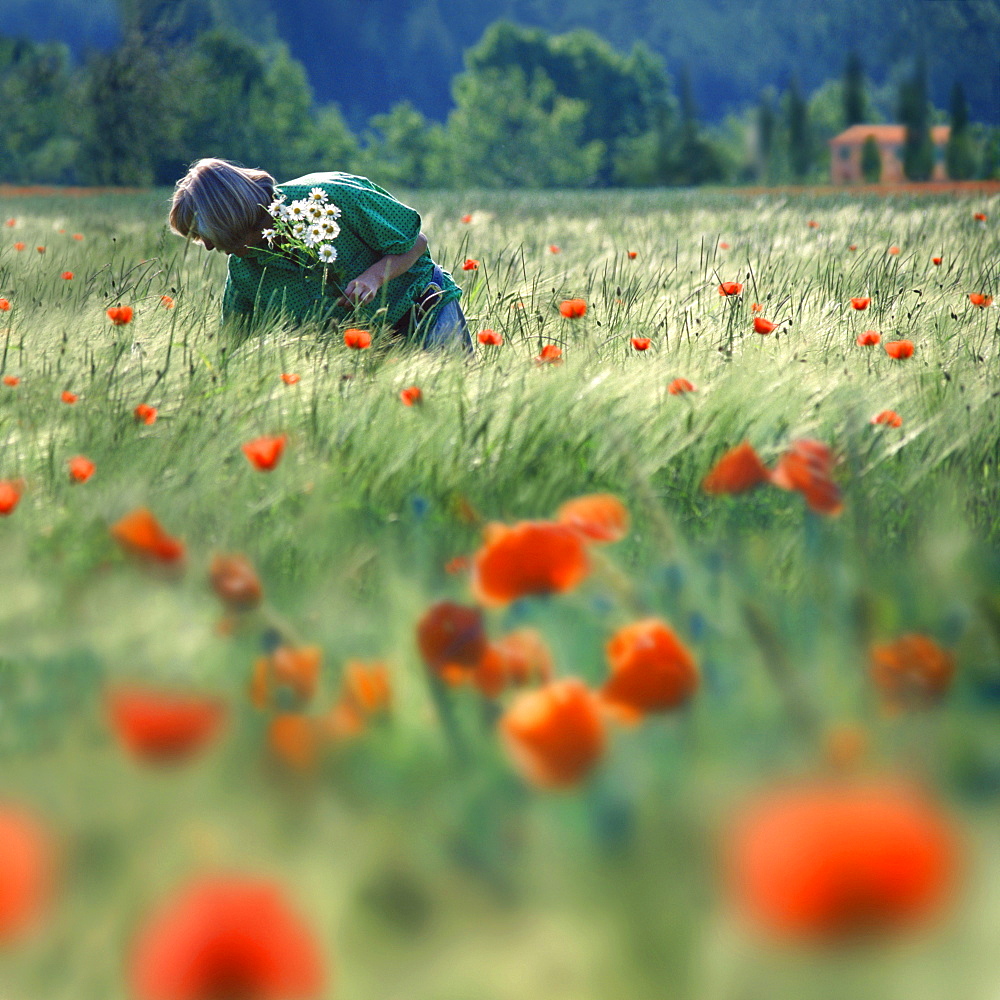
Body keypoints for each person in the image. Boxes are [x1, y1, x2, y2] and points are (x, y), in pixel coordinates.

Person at [168, 158, 471, 350]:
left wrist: (373, 277)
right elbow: (231, 344)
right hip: (369, 355)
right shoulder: (245, 272)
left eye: (203, 235)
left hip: (426, 316)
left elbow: (415, 243)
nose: (207, 246)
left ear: (226, 217)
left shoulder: (329, 198)